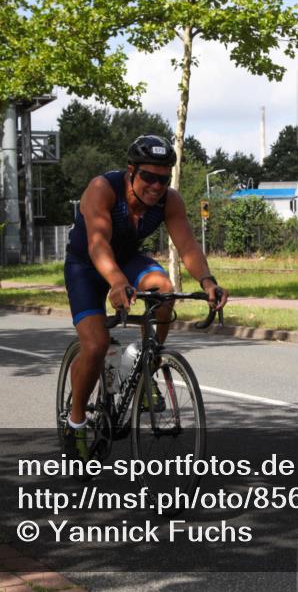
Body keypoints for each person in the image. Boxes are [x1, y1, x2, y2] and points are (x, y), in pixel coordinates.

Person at [62, 135, 229, 459]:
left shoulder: (170, 201)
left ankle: (146, 364)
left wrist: (208, 282)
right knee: (95, 345)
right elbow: (98, 243)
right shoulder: (103, 189)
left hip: (126, 259)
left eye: (163, 179)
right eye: (149, 177)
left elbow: (189, 247)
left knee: (164, 290)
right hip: (85, 264)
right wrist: (116, 281)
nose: (156, 186)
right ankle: (76, 421)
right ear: (130, 172)